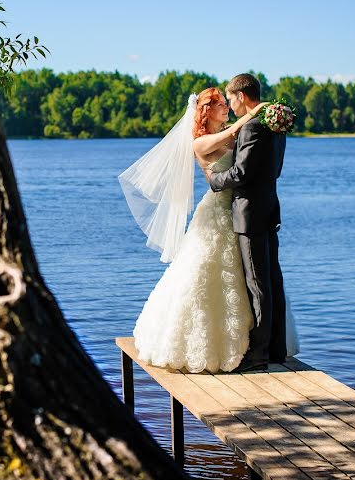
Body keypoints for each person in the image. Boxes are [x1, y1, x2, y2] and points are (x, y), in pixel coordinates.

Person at [120, 87, 282, 373]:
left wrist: (267, 121)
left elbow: (244, 143)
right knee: (207, 271)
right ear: (205, 111)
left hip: (241, 212)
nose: (227, 108)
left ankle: (257, 343)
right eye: (220, 104)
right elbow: (231, 137)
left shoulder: (235, 128)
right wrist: (255, 113)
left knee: (247, 277)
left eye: (226, 102)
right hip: (218, 210)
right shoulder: (200, 142)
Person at [205, 74, 289, 372]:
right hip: (268, 209)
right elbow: (274, 170)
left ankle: (258, 356)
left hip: (250, 213)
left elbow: (240, 174)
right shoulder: (275, 125)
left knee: (258, 284)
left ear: (241, 96)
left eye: (230, 98)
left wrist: (215, 181)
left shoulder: (254, 126)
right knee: (273, 281)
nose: (229, 104)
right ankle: (277, 348)